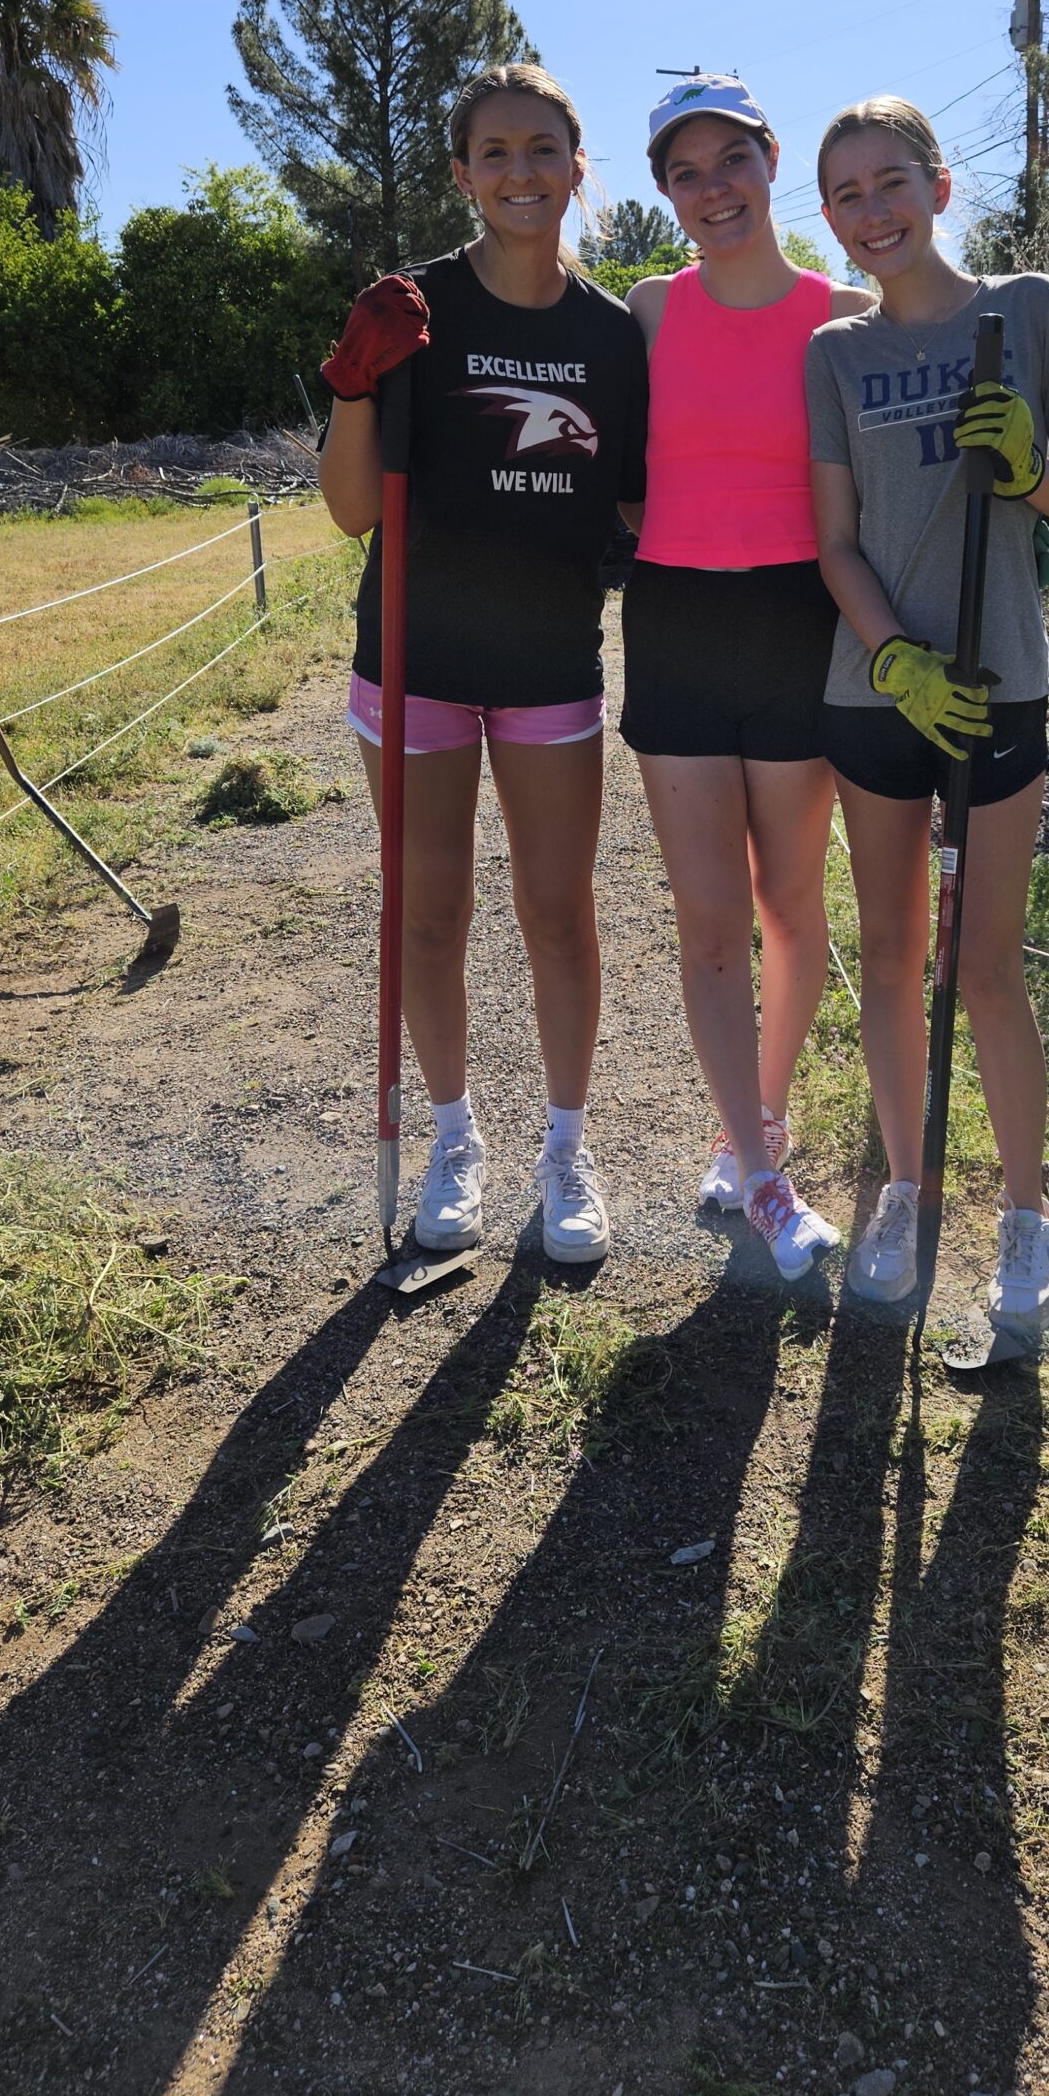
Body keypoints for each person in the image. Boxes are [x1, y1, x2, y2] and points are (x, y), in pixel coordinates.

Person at [317, 64, 648, 1267]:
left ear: (576, 164)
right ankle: (456, 1138)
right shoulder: (414, 310)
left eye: (543, 149)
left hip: (551, 662)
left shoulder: (614, 336)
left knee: (559, 911)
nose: (521, 172)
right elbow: (353, 512)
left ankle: (567, 1147)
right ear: (463, 173)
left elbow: (645, 504)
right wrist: (354, 383)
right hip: (412, 664)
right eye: (494, 152)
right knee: (430, 911)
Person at [806, 96, 1049, 1328]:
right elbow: (834, 543)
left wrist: (1032, 469)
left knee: (985, 965)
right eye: (846, 196)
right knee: (889, 957)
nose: (872, 212)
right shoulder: (833, 353)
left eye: (891, 183)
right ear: (827, 218)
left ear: (938, 185)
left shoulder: (1026, 310)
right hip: (880, 692)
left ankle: (1027, 1221)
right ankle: (905, 1192)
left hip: (1000, 684)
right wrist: (895, 663)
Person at [620, 76, 873, 1280]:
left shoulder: (849, 313)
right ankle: (767, 1186)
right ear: (664, 192)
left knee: (789, 910)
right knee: (712, 916)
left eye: (731, 160)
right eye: (685, 171)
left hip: (797, 621)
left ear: (773, 162)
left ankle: (750, 1124)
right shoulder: (650, 311)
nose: (711, 188)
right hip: (673, 617)